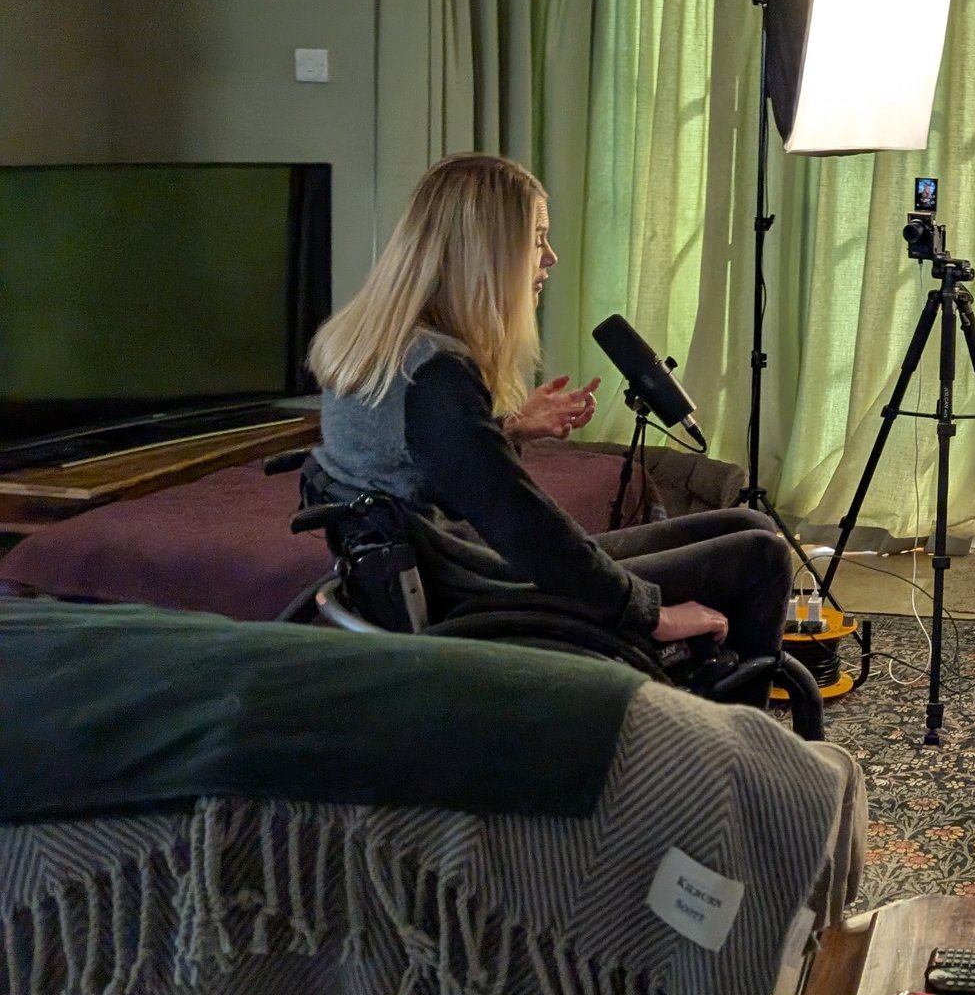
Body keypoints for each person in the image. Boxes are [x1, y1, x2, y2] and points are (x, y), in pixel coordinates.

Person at [304, 152, 789, 700]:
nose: (551, 257)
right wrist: (649, 613)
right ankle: (737, 756)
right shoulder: (436, 376)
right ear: (488, 252)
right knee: (762, 557)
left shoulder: (390, 348)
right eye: (538, 238)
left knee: (745, 522)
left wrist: (504, 429)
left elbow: (417, 460)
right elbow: (526, 527)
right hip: (480, 589)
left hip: (453, 565)